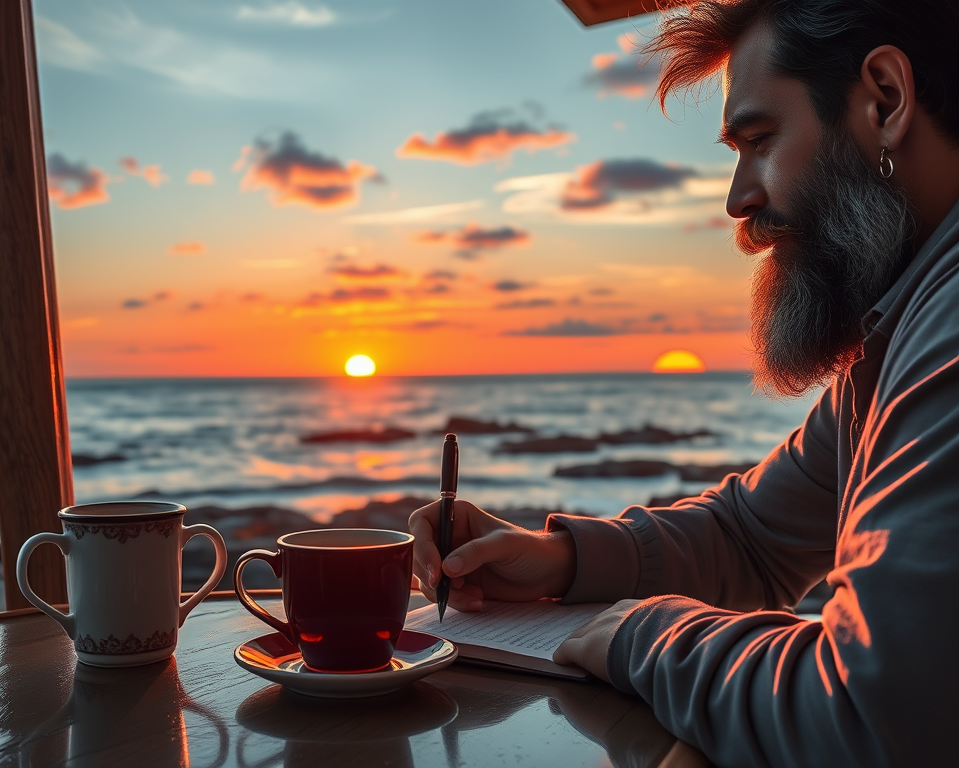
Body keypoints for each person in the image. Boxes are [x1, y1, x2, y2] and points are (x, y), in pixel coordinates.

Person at [409, 1, 959, 766]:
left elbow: (874, 714)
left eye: (760, 141)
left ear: (885, 100)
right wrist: (555, 558)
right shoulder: (898, 335)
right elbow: (755, 536)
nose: (739, 199)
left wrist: (647, 634)